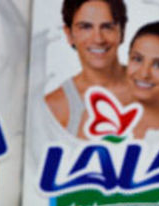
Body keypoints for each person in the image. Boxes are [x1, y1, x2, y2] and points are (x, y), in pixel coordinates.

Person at [44, 0, 129, 136]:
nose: (98, 39)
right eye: (86, 27)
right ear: (69, 34)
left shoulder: (155, 90)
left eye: (107, 27)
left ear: (122, 32)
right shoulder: (55, 106)